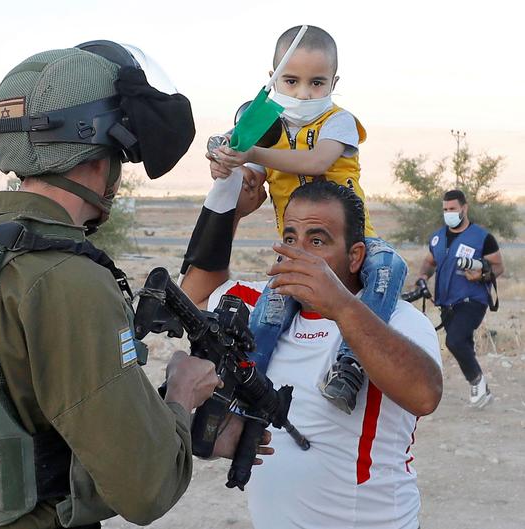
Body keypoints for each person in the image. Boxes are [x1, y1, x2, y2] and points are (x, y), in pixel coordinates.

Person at [0, 44, 272, 529]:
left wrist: (164, 421)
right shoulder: (68, 280)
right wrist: (182, 393)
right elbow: (147, 489)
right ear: (99, 156)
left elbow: (23, 417)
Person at [181, 179, 443, 529]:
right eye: (290, 239)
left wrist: (340, 305)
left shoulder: (397, 320)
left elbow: (425, 395)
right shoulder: (260, 306)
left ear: (355, 257)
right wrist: (231, 205)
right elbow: (194, 295)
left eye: (317, 241)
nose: (298, 253)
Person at [193, 25, 408, 415]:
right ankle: (246, 385)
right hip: (296, 251)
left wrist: (252, 153)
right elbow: (248, 178)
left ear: (334, 83)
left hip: (355, 242)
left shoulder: (338, 121)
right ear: (273, 79)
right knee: (270, 313)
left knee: (389, 265)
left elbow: (315, 161)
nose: (304, 93)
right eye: (291, 81)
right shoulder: (264, 129)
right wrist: (227, 163)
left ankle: (350, 365)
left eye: (317, 83)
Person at [415, 189, 504, 408]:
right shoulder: (437, 237)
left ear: (464, 208)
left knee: (454, 340)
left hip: (473, 299)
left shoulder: (482, 238)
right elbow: (430, 262)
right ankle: (482, 390)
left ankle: (477, 383)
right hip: (447, 303)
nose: (449, 213)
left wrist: (482, 275)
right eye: (445, 209)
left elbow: (498, 266)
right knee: (462, 342)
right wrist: (423, 276)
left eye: (453, 209)